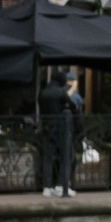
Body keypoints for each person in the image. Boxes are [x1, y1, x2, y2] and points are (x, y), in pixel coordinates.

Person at [36, 60, 83, 197]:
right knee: (66, 156)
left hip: (46, 127)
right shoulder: (62, 92)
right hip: (62, 128)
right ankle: (61, 186)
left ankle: (46, 187)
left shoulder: (43, 93)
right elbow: (73, 106)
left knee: (48, 157)